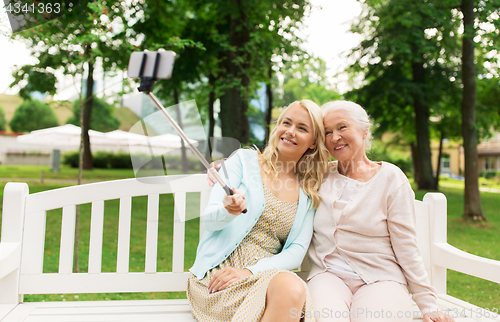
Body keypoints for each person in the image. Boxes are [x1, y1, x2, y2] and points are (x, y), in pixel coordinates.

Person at [307, 100, 454, 322]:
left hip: (381, 278)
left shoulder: (391, 178)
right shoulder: (319, 175)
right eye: (327, 132)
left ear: (364, 131)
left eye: (342, 127)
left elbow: (406, 244)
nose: (334, 137)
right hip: (328, 275)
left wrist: (427, 304)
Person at [188, 99, 330, 322]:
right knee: (289, 298)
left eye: (302, 128)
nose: (290, 132)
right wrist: (228, 210)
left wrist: (250, 272)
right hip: (220, 275)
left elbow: (296, 251)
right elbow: (210, 221)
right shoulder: (243, 161)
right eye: (286, 123)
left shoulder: (309, 190)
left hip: (266, 276)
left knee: (291, 289)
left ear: (313, 142)